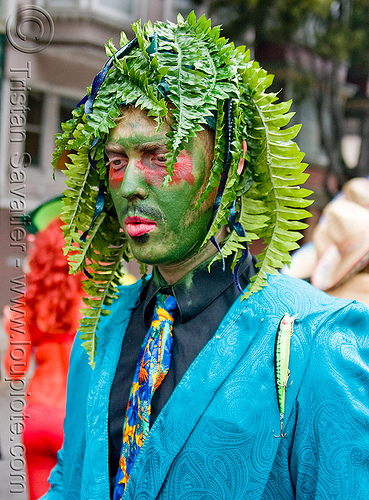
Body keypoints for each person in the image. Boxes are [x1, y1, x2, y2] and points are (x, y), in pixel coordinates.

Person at [42, 14, 369, 500]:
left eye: (158, 156)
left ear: (229, 165)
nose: (130, 185)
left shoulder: (315, 342)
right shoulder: (101, 329)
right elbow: (70, 483)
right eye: (116, 161)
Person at [4, 211, 84, 500]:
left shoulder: (29, 302)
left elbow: (15, 369)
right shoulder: (95, 301)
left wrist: (11, 325)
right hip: (75, 418)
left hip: (35, 418)